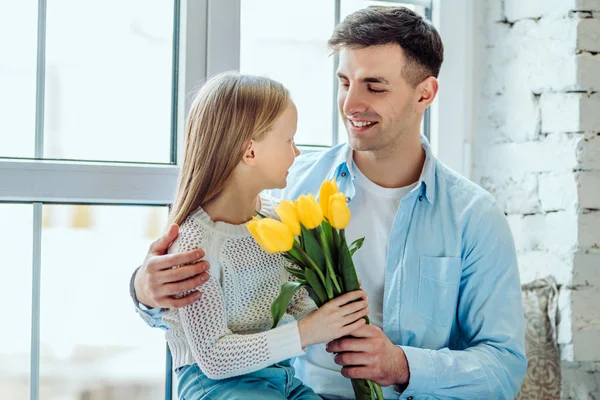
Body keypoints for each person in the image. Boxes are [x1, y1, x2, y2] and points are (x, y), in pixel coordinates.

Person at [131, 6, 527, 399]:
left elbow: (503, 368)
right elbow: (216, 313)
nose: (351, 104)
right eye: (344, 82)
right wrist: (145, 292)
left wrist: (402, 365)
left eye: (375, 86)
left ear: (424, 93)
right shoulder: (292, 185)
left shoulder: (473, 216)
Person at [148, 71, 370, 400]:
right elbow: (214, 359)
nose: (296, 153)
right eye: (289, 140)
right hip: (215, 385)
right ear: (250, 152)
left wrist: (334, 308)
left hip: (279, 377)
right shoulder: (197, 245)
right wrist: (309, 330)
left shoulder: (276, 217)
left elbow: (292, 303)